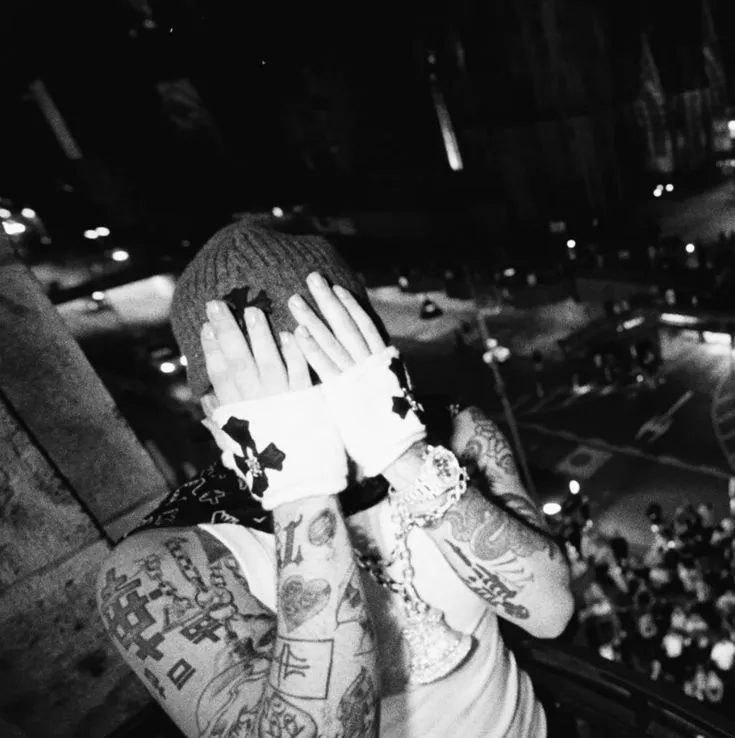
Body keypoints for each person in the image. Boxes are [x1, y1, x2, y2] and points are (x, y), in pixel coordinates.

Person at [96, 215, 574, 738]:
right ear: (217, 415)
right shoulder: (163, 562)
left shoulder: (454, 433)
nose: (322, 412)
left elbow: (549, 613)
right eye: (282, 393)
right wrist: (298, 486)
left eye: (336, 370)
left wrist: (401, 451)